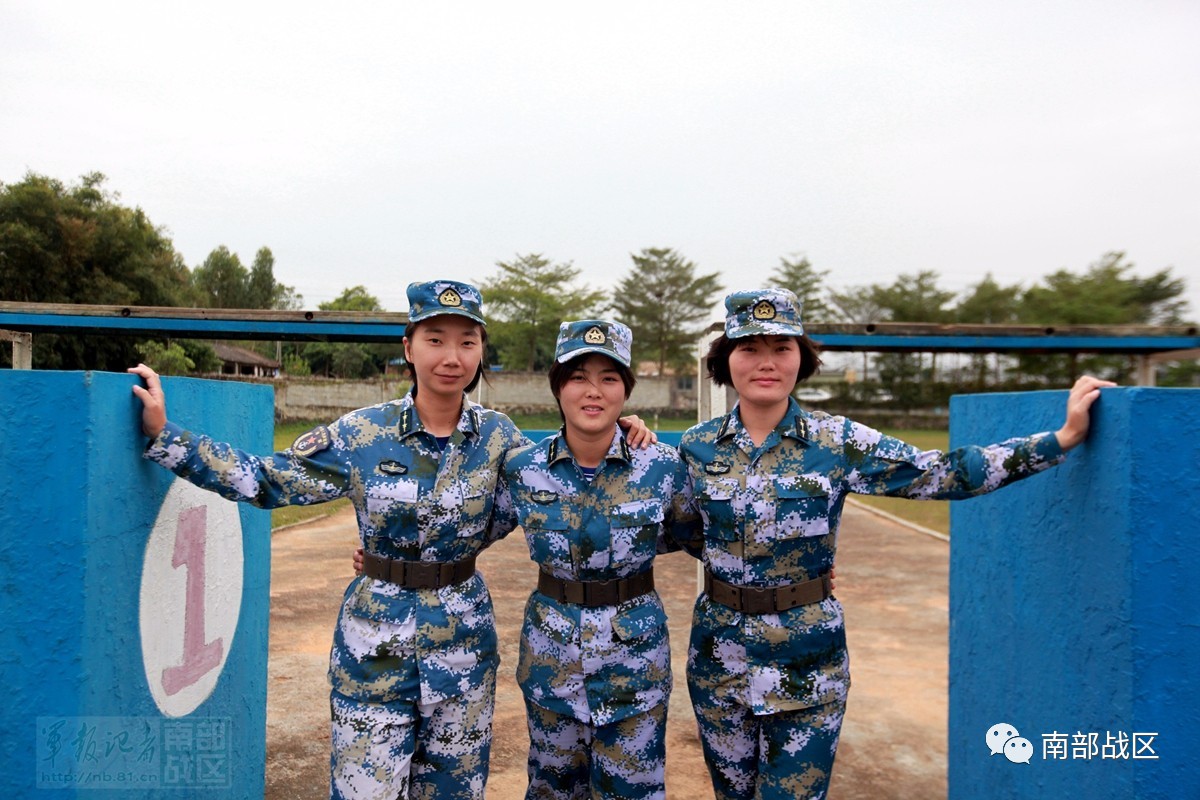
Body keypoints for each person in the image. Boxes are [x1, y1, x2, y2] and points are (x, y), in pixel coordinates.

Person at [131, 281, 653, 800]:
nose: (452, 357)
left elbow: (551, 486)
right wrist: (166, 436)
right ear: (408, 347)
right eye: (435, 339)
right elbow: (268, 478)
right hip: (373, 657)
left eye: (467, 342)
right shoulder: (362, 434)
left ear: (480, 352)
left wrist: (620, 427)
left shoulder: (500, 438)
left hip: (464, 657)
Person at [678, 287, 1114, 800]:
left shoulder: (838, 442)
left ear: (803, 358)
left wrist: (1057, 439)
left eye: (782, 348)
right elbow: (667, 527)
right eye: (750, 348)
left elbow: (942, 473)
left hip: (807, 662)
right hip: (718, 658)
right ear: (726, 359)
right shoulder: (695, 446)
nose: (766, 362)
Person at [496, 319, 697, 800]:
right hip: (551, 660)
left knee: (635, 791)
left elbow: (697, 537)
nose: (593, 391)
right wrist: (386, 560)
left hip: (635, 663)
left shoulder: (664, 466)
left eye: (609, 378)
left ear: (626, 391)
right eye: (578, 376)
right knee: (551, 790)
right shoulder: (522, 469)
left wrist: (799, 567)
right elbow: (467, 530)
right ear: (558, 388)